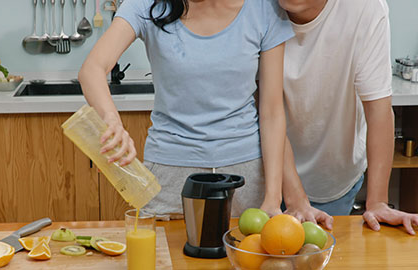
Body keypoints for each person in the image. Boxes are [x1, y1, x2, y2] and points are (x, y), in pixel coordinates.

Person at [78, 0, 295, 218]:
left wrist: (273, 198)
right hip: (169, 175)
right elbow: (92, 69)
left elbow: (272, 112)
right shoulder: (147, 5)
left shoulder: (263, 8)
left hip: (245, 177)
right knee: (163, 252)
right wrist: (111, 120)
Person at [277, 0, 418, 234]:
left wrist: (378, 202)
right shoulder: (256, 8)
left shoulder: (365, 8)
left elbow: (379, 111)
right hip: (267, 175)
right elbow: (263, 111)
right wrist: (293, 197)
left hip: (333, 176)